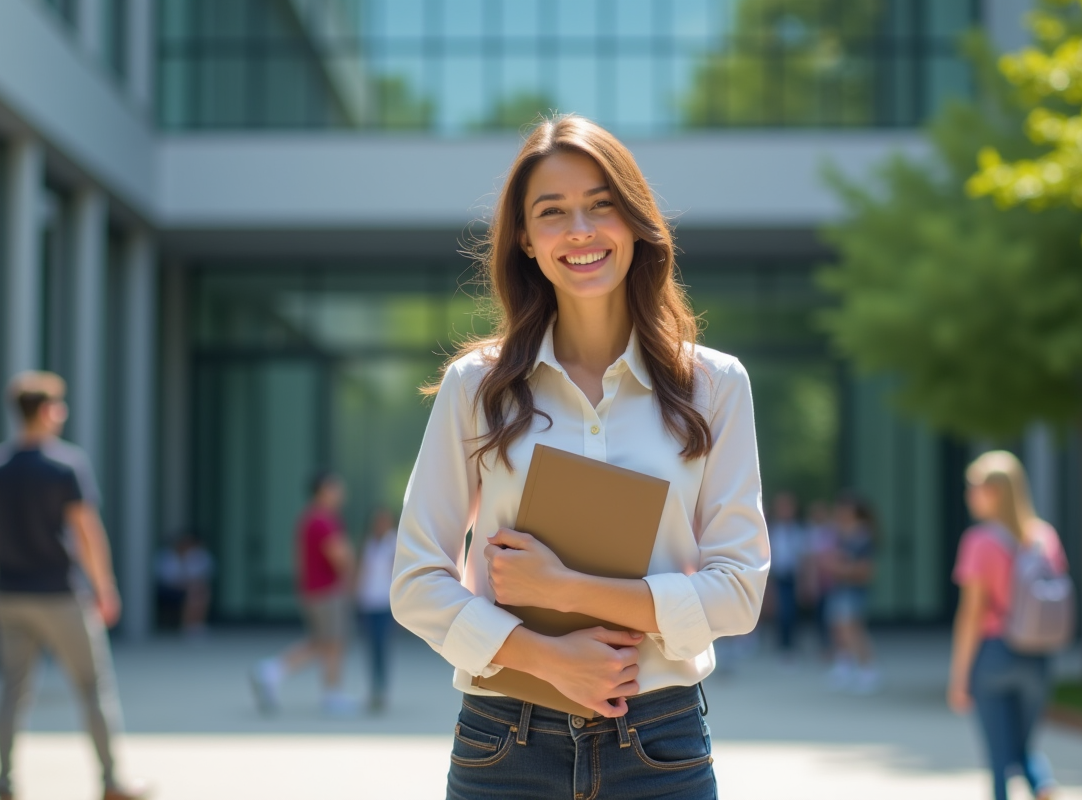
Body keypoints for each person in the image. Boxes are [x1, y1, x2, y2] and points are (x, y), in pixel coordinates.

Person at [390, 114, 768, 800]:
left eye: (602, 206)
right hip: (504, 745)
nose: (581, 231)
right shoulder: (476, 387)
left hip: (660, 747)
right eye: (553, 212)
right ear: (527, 243)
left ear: (636, 223)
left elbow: (741, 591)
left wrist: (564, 589)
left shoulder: (716, 387)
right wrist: (547, 657)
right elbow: (416, 582)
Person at [0, 371, 147, 800]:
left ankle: (4, 782)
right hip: (60, 594)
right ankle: (111, 780)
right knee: (92, 687)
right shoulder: (65, 464)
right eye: (58, 406)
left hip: (9, 595)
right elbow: (87, 532)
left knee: (12, 692)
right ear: (45, 411)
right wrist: (105, 587)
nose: (62, 414)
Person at [949, 451, 1067, 800]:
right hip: (1039, 656)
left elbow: (971, 615)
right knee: (1023, 746)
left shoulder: (980, 541)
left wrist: (959, 677)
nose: (969, 494)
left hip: (994, 653)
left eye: (975, 486)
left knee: (999, 758)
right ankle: (1042, 785)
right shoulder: (1045, 538)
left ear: (995, 491)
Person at [250, 471, 356, 716]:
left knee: (321, 642)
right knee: (332, 643)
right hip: (328, 592)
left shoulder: (309, 518)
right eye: (335, 487)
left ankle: (271, 672)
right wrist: (352, 576)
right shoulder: (324, 520)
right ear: (323, 490)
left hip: (314, 591)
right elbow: (340, 556)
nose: (340, 492)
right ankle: (331, 694)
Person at [824, 493, 879, 692]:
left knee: (853, 630)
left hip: (854, 589)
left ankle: (868, 671)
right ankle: (844, 667)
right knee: (838, 629)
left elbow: (865, 569)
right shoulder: (839, 533)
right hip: (840, 587)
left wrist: (840, 568)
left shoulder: (862, 535)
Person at [355, 507, 398, 713]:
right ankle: (373, 689)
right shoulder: (369, 542)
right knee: (371, 648)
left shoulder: (393, 542)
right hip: (368, 601)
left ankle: (381, 690)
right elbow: (363, 570)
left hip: (384, 603)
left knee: (381, 647)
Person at [768, 492, 807, 658]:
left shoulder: (799, 530)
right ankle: (782, 644)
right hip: (777, 576)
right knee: (780, 610)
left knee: (790, 610)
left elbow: (804, 557)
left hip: (793, 575)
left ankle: (790, 644)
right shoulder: (771, 529)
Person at [154, 532, 214, 636]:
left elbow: (205, 575)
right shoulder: (166, 556)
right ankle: (190, 626)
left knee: (198, 592)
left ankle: (194, 625)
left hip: (191, 588)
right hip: (168, 589)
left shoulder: (198, 556)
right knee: (194, 591)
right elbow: (166, 579)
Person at [802, 499, 836, 659]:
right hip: (819, 583)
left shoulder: (833, 531)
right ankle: (825, 647)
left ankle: (833, 649)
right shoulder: (810, 533)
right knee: (821, 617)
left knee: (834, 618)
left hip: (834, 583)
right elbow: (809, 561)